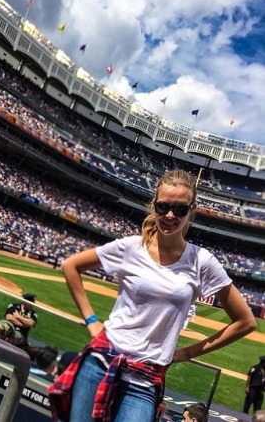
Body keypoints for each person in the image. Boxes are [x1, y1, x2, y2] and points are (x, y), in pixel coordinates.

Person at [49, 169, 256, 422]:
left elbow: (246, 322)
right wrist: (92, 321)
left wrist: (187, 353)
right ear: (154, 205)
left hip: (145, 379)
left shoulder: (202, 262)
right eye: (163, 206)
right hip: (101, 360)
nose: (170, 215)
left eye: (179, 209)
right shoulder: (130, 247)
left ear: (192, 210)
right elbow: (71, 266)